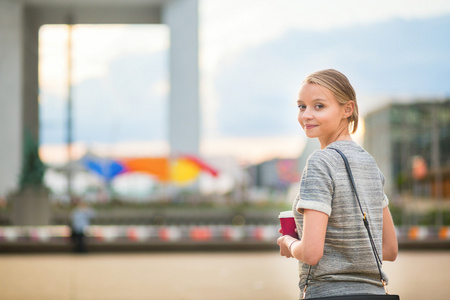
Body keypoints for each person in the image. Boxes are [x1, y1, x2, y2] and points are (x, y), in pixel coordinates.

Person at [277, 69, 398, 299]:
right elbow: (390, 250)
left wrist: (289, 242)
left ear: (347, 109)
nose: (306, 115)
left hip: (328, 293)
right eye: (302, 106)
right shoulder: (369, 164)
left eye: (319, 106)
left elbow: (311, 253)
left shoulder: (320, 162)